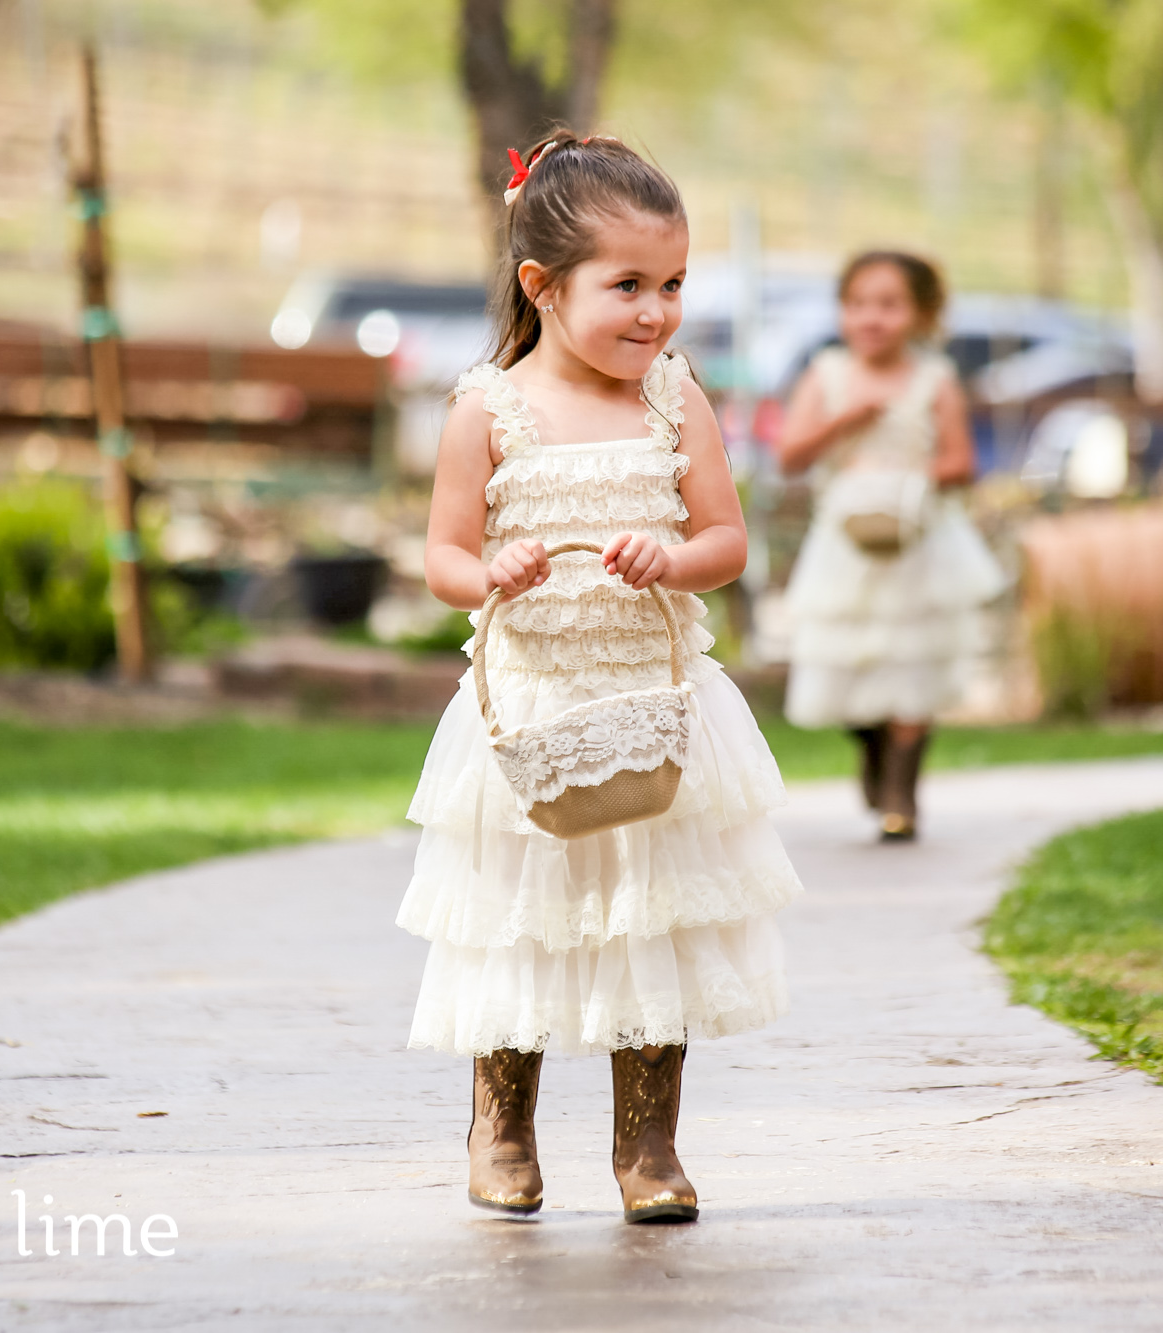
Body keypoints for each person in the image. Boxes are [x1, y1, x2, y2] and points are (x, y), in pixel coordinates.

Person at [402, 132, 802, 1225]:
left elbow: (726, 538)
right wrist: (487, 572)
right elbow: (440, 556)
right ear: (541, 286)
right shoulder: (485, 409)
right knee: (516, 916)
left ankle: (647, 1144)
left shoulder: (673, 399)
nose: (655, 312)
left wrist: (673, 561)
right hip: (531, 703)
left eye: (672, 284)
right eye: (627, 285)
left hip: (655, 706)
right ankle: (501, 1124)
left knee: (650, 916)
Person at [775, 252, 1007, 842]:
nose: (870, 319)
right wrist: (843, 423)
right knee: (849, 660)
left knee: (914, 662)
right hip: (846, 546)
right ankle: (871, 743)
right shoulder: (826, 374)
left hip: (917, 541)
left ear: (921, 315)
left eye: (888, 305)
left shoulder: (935, 380)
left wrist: (912, 474)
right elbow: (791, 454)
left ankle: (901, 793)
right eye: (857, 305)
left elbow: (962, 462)